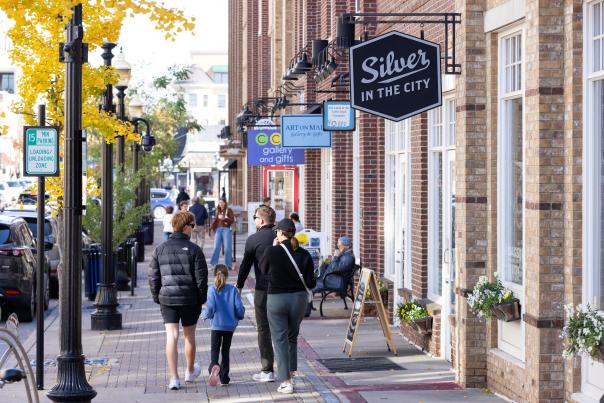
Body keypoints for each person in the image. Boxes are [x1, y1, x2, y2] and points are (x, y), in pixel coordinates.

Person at [149, 211, 208, 390]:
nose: (194, 228)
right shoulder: (194, 250)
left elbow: (153, 277)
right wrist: (201, 299)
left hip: (167, 299)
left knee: (171, 336)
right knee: (189, 335)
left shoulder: (160, 249)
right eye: (192, 225)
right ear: (186, 227)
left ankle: (174, 378)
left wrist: (157, 296)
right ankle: (189, 371)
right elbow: (201, 278)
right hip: (190, 299)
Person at [261, 218, 316, 394]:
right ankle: (291, 373)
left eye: (276, 231)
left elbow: (263, 270)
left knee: (280, 340)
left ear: (280, 233)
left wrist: (273, 246)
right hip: (298, 300)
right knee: (292, 336)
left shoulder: (272, 251)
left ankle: (286, 381)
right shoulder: (305, 254)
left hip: (277, 298)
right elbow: (311, 282)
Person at [236, 205, 276, 382]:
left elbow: (245, 265)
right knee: (284, 331)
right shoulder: (282, 236)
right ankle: (288, 372)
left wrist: (239, 285)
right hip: (285, 290)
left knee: (264, 329)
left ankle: (267, 370)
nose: (253, 221)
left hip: (263, 290)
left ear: (260, 220)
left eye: (254, 218)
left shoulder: (254, 239)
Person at [202, 264, 245, 387]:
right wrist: (239, 316)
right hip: (229, 326)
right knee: (225, 351)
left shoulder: (212, 289)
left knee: (215, 349)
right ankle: (224, 377)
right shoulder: (233, 290)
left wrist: (205, 315)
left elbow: (210, 308)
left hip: (216, 325)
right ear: (227, 276)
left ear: (214, 275)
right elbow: (239, 309)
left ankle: (213, 367)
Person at [210, 199, 235, 269]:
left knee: (227, 248)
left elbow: (232, 220)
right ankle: (213, 264)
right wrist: (212, 229)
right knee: (216, 247)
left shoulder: (228, 210)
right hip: (218, 229)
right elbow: (216, 221)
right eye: (219, 202)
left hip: (226, 229)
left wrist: (224, 218)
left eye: (222, 202)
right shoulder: (218, 210)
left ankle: (228, 265)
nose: (220, 204)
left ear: (225, 203)